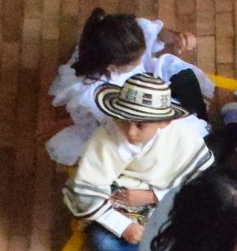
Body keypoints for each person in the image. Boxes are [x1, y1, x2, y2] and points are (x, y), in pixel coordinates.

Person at [62, 75, 211, 251]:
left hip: (165, 196)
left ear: (164, 122)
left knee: (205, 210)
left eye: (140, 125)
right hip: (120, 200)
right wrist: (123, 226)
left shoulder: (182, 138)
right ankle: (180, 250)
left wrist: (153, 196)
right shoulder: (105, 137)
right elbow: (87, 188)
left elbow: (198, 182)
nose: (130, 132)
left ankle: (173, 247)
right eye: (124, 120)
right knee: (105, 245)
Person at [46, 9, 215, 165]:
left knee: (185, 76)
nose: (142, 59)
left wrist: (176, 37)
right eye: (135, 61)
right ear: (112, 67)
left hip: (149, 84)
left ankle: (202, 122)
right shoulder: (92, 94)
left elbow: (157, 34)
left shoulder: (130, 37)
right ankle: (201, 136)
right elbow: (116, 127)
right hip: (130, 115)